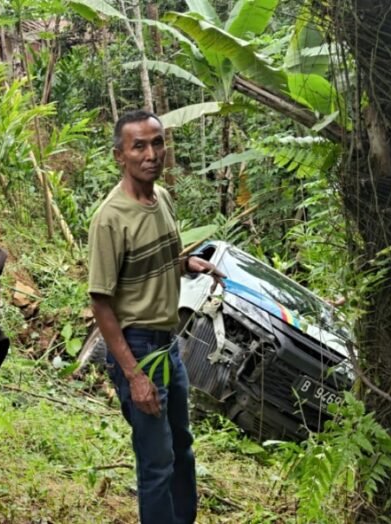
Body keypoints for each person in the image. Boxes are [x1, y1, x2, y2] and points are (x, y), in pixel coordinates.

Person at [87, 110, 225, 524]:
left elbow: (163, 260)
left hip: (169, 345)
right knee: (156, 461)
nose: (152, 154)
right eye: (139, 146)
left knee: (181, 447)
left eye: (158, 142)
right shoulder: (110, 219)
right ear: (120, 155)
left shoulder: (161, 198)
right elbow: (101, 303)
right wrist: (134, 375)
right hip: (140, 350)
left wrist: (187, 265)